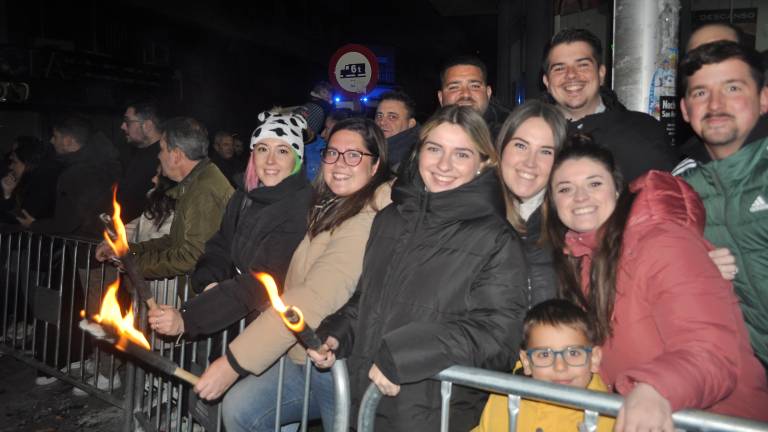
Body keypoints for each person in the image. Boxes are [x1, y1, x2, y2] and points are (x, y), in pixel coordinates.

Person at [311, 106, 528, 431]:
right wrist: (337, 332)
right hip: (366, 401)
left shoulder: (496, 239)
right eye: (435, 149)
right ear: (419, 151)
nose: (443, 165)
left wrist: (406, 354)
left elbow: (498, 337)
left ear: (483, 163)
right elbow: (368, 299)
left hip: (431, 413)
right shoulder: (390, 219)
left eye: (461, 154)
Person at [545, 136, 768, 429]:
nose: (580, 197)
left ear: (617, 188)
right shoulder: (582, 261)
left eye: (594, 183)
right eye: (565, 189)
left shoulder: (664, 243)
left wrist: (654, 389)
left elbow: (711, 352)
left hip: (719, 419)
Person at [185, 117, 392, 432]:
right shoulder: (327, 205)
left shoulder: (367, 216)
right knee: (242, 409)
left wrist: (232, 362)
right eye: (332, 153)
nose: (340, 163)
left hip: (344, 361)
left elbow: (315, 297)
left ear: (375, 165)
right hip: (303, 352)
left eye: (354, 155)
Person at [147, 110, 314, 339]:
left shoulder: (300, 208)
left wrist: (189, 318)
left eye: (282, 151)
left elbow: (263, 280)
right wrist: (210, 280)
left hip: (272, 330)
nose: (271, 161)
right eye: (263, 149)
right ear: (252, 155)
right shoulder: (244, 196)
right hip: (233, 316)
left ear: (297, 158)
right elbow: (221, 244)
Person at [678, 41, 768, 368]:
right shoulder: (683, 195)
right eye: (700, 93)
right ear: (686, 110)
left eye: (732, 88)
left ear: (763, 99)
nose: (715, 104)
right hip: (746, 376)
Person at [96, 117, 234, 279]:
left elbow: (192, 257)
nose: (159, 156)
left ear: (176, 155)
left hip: (207, 295)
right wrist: (127, 251)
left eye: (161, 149)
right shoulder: (195, 184)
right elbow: (174, 241)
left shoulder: (203, 191)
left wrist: (133, 263)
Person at [541, 28, 676, 182]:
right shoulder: (533, 139)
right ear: (547, 81)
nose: (571, 74)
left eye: (583, 65)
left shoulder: (644, 132)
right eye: (559, 68)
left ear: (601, 73)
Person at [473, 299, 615, 432]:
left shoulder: (610, 419)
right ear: (527, 362)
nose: (560, 367)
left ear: (594, 359)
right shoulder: (504, 399)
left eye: (573, 353)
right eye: (545, 355)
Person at [496, 100, 567, 307]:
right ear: (501, 148)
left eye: (546, 151)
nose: (530, 162)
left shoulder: (571, 222)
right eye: (521, 145)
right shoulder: (473, 213)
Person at [22, 115, 119, 238]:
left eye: (56, 136)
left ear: (68, 141)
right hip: (107, 241)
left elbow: (66, 223)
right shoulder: (108, 164)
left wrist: (34, 225)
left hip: (86, 246)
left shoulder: (74, 174)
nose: (52, 140)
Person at [437, 55, 510, 139]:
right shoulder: (427, 138)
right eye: (454, 87)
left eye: (475, 86)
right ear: (441, 97)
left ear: (488, 93)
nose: (465, 94)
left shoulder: (509, 138)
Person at [117, 100, 164, 223]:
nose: (122, 126)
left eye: (128, 122)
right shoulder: (137, 153)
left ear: (147, 126)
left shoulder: (164, 159)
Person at [0, 136, 61, 227]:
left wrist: (8, 195)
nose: (10, 167)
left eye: (15, 162)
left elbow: (22, 219)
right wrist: (8, 193)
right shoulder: (28, 182)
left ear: (27, 164)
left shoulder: (40, 185)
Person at [374, 90, 420, 171]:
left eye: (392, 117)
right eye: (379, 116)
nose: (382, 122)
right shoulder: (371, 147)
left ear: (410, 123)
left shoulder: (414, 158)